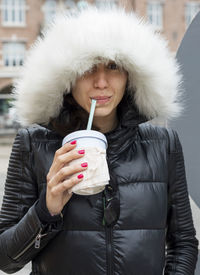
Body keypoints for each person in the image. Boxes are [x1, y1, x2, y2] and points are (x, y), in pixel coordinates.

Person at [0, 6, 198, 275]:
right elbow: (6, 260)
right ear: (67, 77)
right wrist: (45, 211)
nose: (101, 82)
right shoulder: (33, 145)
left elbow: (184, 242)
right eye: (88, 68)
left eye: (113, 67)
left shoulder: (163, 144)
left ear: (131, 74)